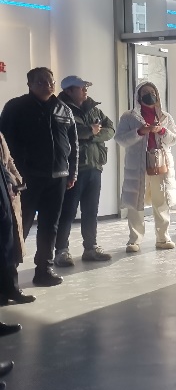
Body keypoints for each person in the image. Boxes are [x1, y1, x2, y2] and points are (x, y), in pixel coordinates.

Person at [0, 67, 77, 286]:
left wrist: (72, 172)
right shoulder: (15, 107)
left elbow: (73, 144)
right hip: (26, 179)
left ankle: (44, 270)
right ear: (30, 85)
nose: (47, 86)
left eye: (50, 82)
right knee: (19, 226)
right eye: (41, 82)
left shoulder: (64, 109)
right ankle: (7, 275)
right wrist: (10, 177)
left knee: (50, 225)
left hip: (58, 176)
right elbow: (4, 146)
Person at [54, 76, 115, 266]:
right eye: (81, 87)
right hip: (74, 169)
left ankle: (91, 248)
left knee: (91, 210)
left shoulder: (93, 108)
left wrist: (92, 135)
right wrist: (90, 130)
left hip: (94, 166)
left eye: (86, 86)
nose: (85, 90)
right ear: (69, 91)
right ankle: (61, 251)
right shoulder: (60, 108)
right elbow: (66, 132)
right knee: (68, 211)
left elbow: (110, 129)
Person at [115, 82, 176, 252]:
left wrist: (162, 131)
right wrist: (139, 132)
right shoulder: (128, 117)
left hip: (160, 164)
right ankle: (134, 240)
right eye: (145, 92)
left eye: (152, 91)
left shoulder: (165, 117)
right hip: (137, 165)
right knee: (135, 202)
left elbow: (175, 138)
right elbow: (120, 138)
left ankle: (163, 238)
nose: (149, 94)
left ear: (157, 95)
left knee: (162, 201)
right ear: (138, 96)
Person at [0, 132, 33, 306]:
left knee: (8, 242)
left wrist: (16, 180)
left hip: (5, 192)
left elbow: (7, 159)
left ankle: (11, 289)